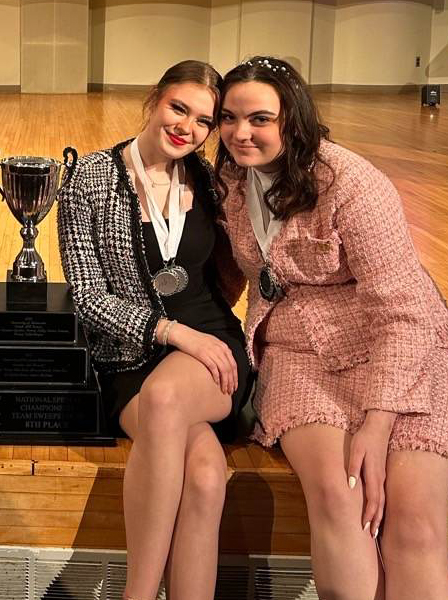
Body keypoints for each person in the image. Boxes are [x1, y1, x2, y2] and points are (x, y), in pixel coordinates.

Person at [215, 56, 448, 599]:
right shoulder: (228, 178)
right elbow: (225, 275)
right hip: (298, 355)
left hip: (400, 348)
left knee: (415, 522)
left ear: (293, 120)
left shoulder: (351, 183)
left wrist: (377, 420)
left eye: (259, 119)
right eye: (229, 117)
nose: (239, 133)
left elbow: (406, 311)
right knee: (342, 498)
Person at [57, 60, 252, 600]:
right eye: (178, 108)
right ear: (155, 99)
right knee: (207, 475)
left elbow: (241, 267)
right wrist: (170, 331)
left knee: (167, 400)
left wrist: (197, 336)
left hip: (211, 350)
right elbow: (90, 299)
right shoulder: (90, 179)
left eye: (203, 121)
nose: (186, 127)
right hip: (129, 360)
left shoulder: (212, 182)